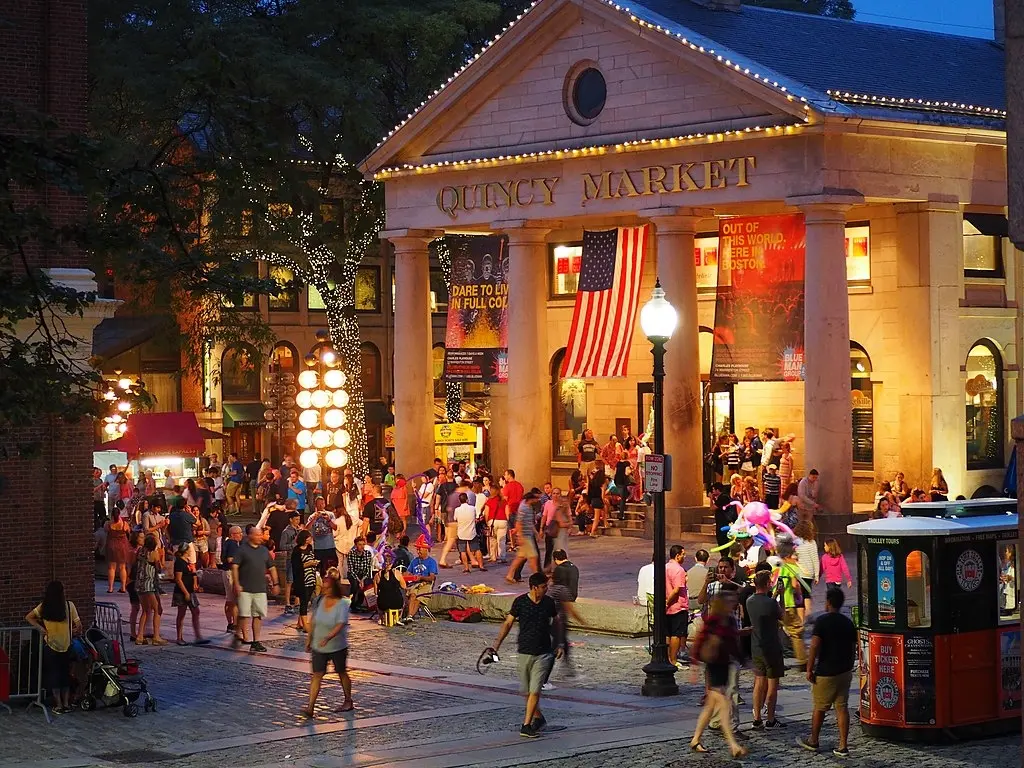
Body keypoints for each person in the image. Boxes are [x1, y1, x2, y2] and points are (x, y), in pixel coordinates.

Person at [492, 572, 562, 738]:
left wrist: (559, 642)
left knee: (535, 690)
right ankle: (538, 718)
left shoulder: (548, 603)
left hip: (544, 652)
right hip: (524, 650)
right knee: (526, 691)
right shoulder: (520, 602)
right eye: (544, 587)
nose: (546, 589)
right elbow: (508, 623)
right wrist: (496, 646)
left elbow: (556, 622)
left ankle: (526, 725)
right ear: (534, 587)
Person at [797, 588, 858, 756]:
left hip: (826, 671)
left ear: (828, 602)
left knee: (820, 707)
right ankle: (843, 745)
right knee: (842, 708)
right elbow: (854, 647)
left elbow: (815, 646)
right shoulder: (848, 623)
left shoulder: (822, 621)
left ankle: (814, 740)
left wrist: (809, 669)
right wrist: (850, 665)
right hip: (844, 671)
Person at [690, 594, 747, 758]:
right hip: (713, 666)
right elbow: (699, 641)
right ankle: (733, 745)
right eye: (730, 602)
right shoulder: (713, 620)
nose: (734, 605)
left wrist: (743, 660)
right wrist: (694, 666)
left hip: (724, 666)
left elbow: (733, 644)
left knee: (710, 707)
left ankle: (695, 739)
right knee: (724, 704)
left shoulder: (729, 621)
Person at [25, 581, 82, 714]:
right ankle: (67, 703)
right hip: (66, 644)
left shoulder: (45, 606)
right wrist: (70, 631)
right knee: (65, 674)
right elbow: (78, 625)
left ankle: (58, 704)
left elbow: (29, 617)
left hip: (50, 644)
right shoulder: (69, 605)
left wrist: (41, 628)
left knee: (54, 675)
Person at [303, 567, 353, 717]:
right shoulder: (320, 600)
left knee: (341, 672)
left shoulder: (343, 603)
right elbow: (313, 621)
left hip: (337, 645)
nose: (324, 590)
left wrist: (328, 637)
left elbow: (341, 623)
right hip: (319, 645)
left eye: (327, 588)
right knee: (317, 674)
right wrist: (309, 638)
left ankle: (348, 700)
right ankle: (310, 707)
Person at [747, 568, 785, 729]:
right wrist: (780, 595)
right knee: (772, 685)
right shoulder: (771, 603)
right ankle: (770, 718)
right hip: (772, 647)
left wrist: (774, 596)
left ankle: (756, 717)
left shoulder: (750, 601)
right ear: (768, 584)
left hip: (756, 646)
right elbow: (781, 614)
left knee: (758, 683)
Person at [231, 526, 279, 653]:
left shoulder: (264, 551)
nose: (260, 537)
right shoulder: (242, 550)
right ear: (250, 536)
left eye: (260, 535)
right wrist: (236, 584)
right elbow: (235, 567)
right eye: (257, 535)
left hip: (260, 588)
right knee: (244, 615)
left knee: (258, 615)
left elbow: (272, 567)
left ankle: (256, 641)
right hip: (245, 588)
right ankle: (237, 634)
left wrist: (276, 583)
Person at [172, 544, 206, 646]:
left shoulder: (188, 562)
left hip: (190, 591)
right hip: (182, 592)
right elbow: (178, 579)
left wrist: (195, 583)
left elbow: (192, 574)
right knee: (181, 614)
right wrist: (186, 592)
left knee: (196, 611)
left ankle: (198, 636)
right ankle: (179, 637)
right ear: (186, 551)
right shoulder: (179, 562)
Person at [134, 534, 166, 645]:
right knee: (158, 610)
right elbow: (158, 568)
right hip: (150, 585)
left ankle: (139, 636)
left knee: (145, 610)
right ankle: (156, 637)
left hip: (139, 584)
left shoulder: (140, 551)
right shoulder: (153, 554)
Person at [506, 490, 541, 584]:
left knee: (520, 557)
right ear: (531, 499)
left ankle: (510, 574)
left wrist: (536, 533)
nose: (538, 500)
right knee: (533, 557)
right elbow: (519, 522)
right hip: (525, 536)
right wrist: (520, 536)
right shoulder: (524, 507)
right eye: (536, 498)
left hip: (528, 534)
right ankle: (537, 578)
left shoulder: (529, 507)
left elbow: (529, 522)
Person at [665, 545, 689, 669]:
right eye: (683, 554)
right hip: (677, 606)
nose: (684, 556)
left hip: (669, 607)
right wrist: (668, 602)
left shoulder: (665, 567)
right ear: (677, 555)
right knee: (676, 634)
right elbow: (676, 590)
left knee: (668, 633)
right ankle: (673, 660)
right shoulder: (679, 570)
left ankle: (667, 658)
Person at [405, 535, 438, 621]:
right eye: (417, 549)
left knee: (418, 598)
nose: (418, 551)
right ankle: (409, 615)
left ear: (426, 549)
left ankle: (410, 616)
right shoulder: (414, 561)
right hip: (415, 584)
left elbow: (432, 578)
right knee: (412, 595)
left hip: (426, 584)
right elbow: (408, 573)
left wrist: (421, 578)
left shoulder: (431, 562)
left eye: (420, 548)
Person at [291, 530, 319, 632]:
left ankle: (299, 623)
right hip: (302, 579)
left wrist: (314, 563)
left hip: (311, 576)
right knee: (303, 601)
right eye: (309, 537)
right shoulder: (297, 550)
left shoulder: (310, 548)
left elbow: (312, 558)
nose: (311, 539)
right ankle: (305, 625)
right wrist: (308, 564)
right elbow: (296, 566)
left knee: (307, 601)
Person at [455, 492, 487, 573]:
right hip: (472, 532)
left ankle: (466, 568)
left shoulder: (457, 510)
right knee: (477, 549)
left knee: (463, 551)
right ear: (467, 499)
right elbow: (475, 517)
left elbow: (455, 519)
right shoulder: (472, 508)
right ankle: (481, 566)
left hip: (461, 533)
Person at [793, 521, 820, 615]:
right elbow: (815, 559)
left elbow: (793, 557)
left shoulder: (796, 543)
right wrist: (816, 575)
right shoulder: (812, 543)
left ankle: (801, 616)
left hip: (799, 572)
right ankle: (808, 613)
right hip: (809, 573)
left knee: (800, 595)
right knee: (807, 594)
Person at [279, 510, 302, 614]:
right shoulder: (286, 532)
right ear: (291, 520)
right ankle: (287, 604)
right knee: (290, 581)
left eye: (299, 519)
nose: (298, 521)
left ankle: (297, 603)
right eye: (296, 519)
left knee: (298, 581)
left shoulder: (299, 530)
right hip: (291, 558)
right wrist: (294, 545)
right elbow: (282, 546)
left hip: (299, 558)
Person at [220, 525, 243, 632]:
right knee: (233, 600)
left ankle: (230, 623)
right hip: (230, 573)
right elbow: (230, 559)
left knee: (229, 599)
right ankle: (234, 624)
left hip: (226, 572)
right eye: (239, 533)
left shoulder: (227, 543)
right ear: (233, 535)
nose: (241, 534)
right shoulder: (233, 544)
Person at [104, 508, 131, 593]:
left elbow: (105, 531)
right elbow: (128, 532)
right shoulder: (124, 524)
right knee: (122, 567)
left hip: (111, 545)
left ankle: (110, 588)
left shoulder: (108, 524)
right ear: (119, 514)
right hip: (122, 546)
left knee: (111, 568)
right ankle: (123, 587)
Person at [346, 535, 375, 612]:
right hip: (354, 574)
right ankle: (354, 604)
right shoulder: (351, 553)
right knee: (355, 585)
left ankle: (361, 603)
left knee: (367, 583)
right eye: (360, 544)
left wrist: (362, 580)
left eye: (363, 544)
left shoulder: (367, 554)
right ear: (356, 545)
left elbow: (368, 569)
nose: (362, 547)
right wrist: (359, 580)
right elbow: (351, 570)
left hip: (364, 575)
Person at [375, 554, 406, 624]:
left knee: (378, 598)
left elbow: (375, 592)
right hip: (396, 603)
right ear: (392, 564)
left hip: (383, 604)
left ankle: (381, 618)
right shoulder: (397, 573)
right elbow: (404, 586)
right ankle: (398, 617)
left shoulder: (378, 575)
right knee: (403, 597)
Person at [485, 487, 509, 564]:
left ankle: (493, 556)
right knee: (502, 540)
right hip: (503, 521)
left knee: (492, 540)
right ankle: (502, 557)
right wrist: (507, 520)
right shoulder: (504, 501)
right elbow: (507, 512)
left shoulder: (489, 501)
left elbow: (486, 513)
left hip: (492, 521)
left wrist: (487, 522)